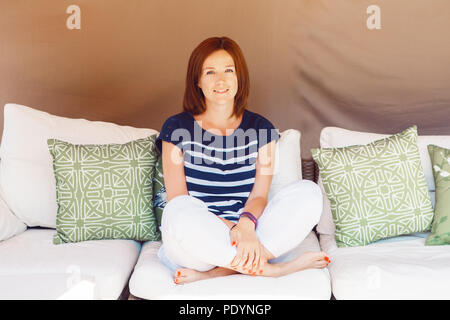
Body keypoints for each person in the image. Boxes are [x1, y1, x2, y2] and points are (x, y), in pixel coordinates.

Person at [155, 36, 329, 285]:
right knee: (178, 210)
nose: (221, 80)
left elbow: (259, 196)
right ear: (198, 81)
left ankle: (218, 273)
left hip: (249, 231)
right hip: (198, 239)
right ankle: (272, 269)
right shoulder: (176, 128)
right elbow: (179, 198)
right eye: (210, 72)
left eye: (228, 70)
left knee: (309, 192)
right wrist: (236, 231)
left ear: (240, 77)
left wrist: (246, 227)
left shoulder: (262, 130)